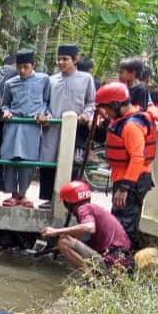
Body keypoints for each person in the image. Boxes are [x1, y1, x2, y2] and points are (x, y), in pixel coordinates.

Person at [94, 82, 156, 243]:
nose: (106, 112)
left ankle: (121, 262)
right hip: (125, 178)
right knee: (119, 221)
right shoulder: (124, 120)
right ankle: (118, 259)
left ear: (115, 104)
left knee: (124, 225)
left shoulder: (131, 126)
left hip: (130, 181)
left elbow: (137, 157)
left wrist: (124, 188)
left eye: (106, 108)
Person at [37, 44, 96, 209]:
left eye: (65, 59)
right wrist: (45, 115)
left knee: (73, 163)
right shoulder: (51, 79)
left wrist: (86, 114)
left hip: (76, 129)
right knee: (49, 162)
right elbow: (44, 102)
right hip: (53, 128)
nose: (61, 62)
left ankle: (72, 200)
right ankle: (49, 198)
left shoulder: (86, 79)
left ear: (75, 60)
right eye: (59, 59)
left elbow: (91, 102)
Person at [41, 181, 133, 272]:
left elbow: (89, 228)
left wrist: (55, 231)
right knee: (69, 240)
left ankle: (92, 278)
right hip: (122, 261)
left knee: (64, 242)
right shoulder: (93, 209)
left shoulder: (83, 208)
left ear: (68, 203)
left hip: (112, 260)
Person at [0, 49, 49, 208]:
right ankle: (13, 194)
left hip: (32, 126)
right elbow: (4, 103)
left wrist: (43, 113)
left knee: (28, 161)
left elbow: (47, 101)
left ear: (33, 65)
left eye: (25, 67)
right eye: (19, 67)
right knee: (12, 159)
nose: (22, 70)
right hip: (14, 124)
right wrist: (6, 111)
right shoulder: (10, 83)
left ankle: (23, 194)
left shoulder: (44, 80)